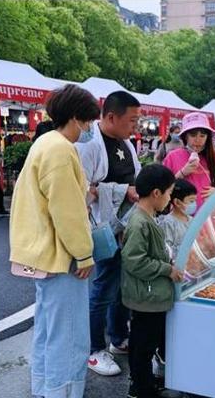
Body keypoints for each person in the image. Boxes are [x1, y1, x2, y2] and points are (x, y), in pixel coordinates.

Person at [9, 84, 100, 397]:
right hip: (63, 260)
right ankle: (63, 392)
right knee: (71, 338)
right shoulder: (61, 149)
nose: (89, 129)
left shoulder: (44, 143)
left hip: (42, 256)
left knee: (48, 333)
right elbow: (68, 211)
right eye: (88, 122)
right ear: (75, 117)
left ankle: (44, 389)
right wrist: (84, 254)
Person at [76, 90, 142, 376]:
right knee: (103, 288)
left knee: (121, 285)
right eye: (132, 120)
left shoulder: (127, 143)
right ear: (111, 117)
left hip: (126, 227)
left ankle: (117, 338)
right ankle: (93, 349)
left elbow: (135, 176)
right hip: (103, 229)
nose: (136, 126)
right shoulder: (89, 146)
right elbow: (82, 191)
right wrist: (120, 190)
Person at [121, 164, 184, 398]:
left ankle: (141, 383)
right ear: (156, 193)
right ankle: (142, 389)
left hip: (147, 293)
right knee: (144, 346)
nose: (170, 198)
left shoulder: (147, 217)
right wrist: (167, 269)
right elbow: (134, 261)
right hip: (146, 295)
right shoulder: (140, 222)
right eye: (169, 192)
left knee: (142, 343)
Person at [163, 112, 215, 209]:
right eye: (193, 135)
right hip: (180, 217)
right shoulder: (172, 156)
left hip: (208, 215)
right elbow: (162, 188)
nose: (198, 140)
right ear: (186, 136)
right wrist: (182, 173)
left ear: (208, 137)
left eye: (202, 136)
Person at [159, 179, 198, 261]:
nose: (194, 204)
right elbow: (167, 250)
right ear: (177, 202)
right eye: (191, 201)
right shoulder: (168, 223)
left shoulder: (192, 220)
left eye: (195, 201)